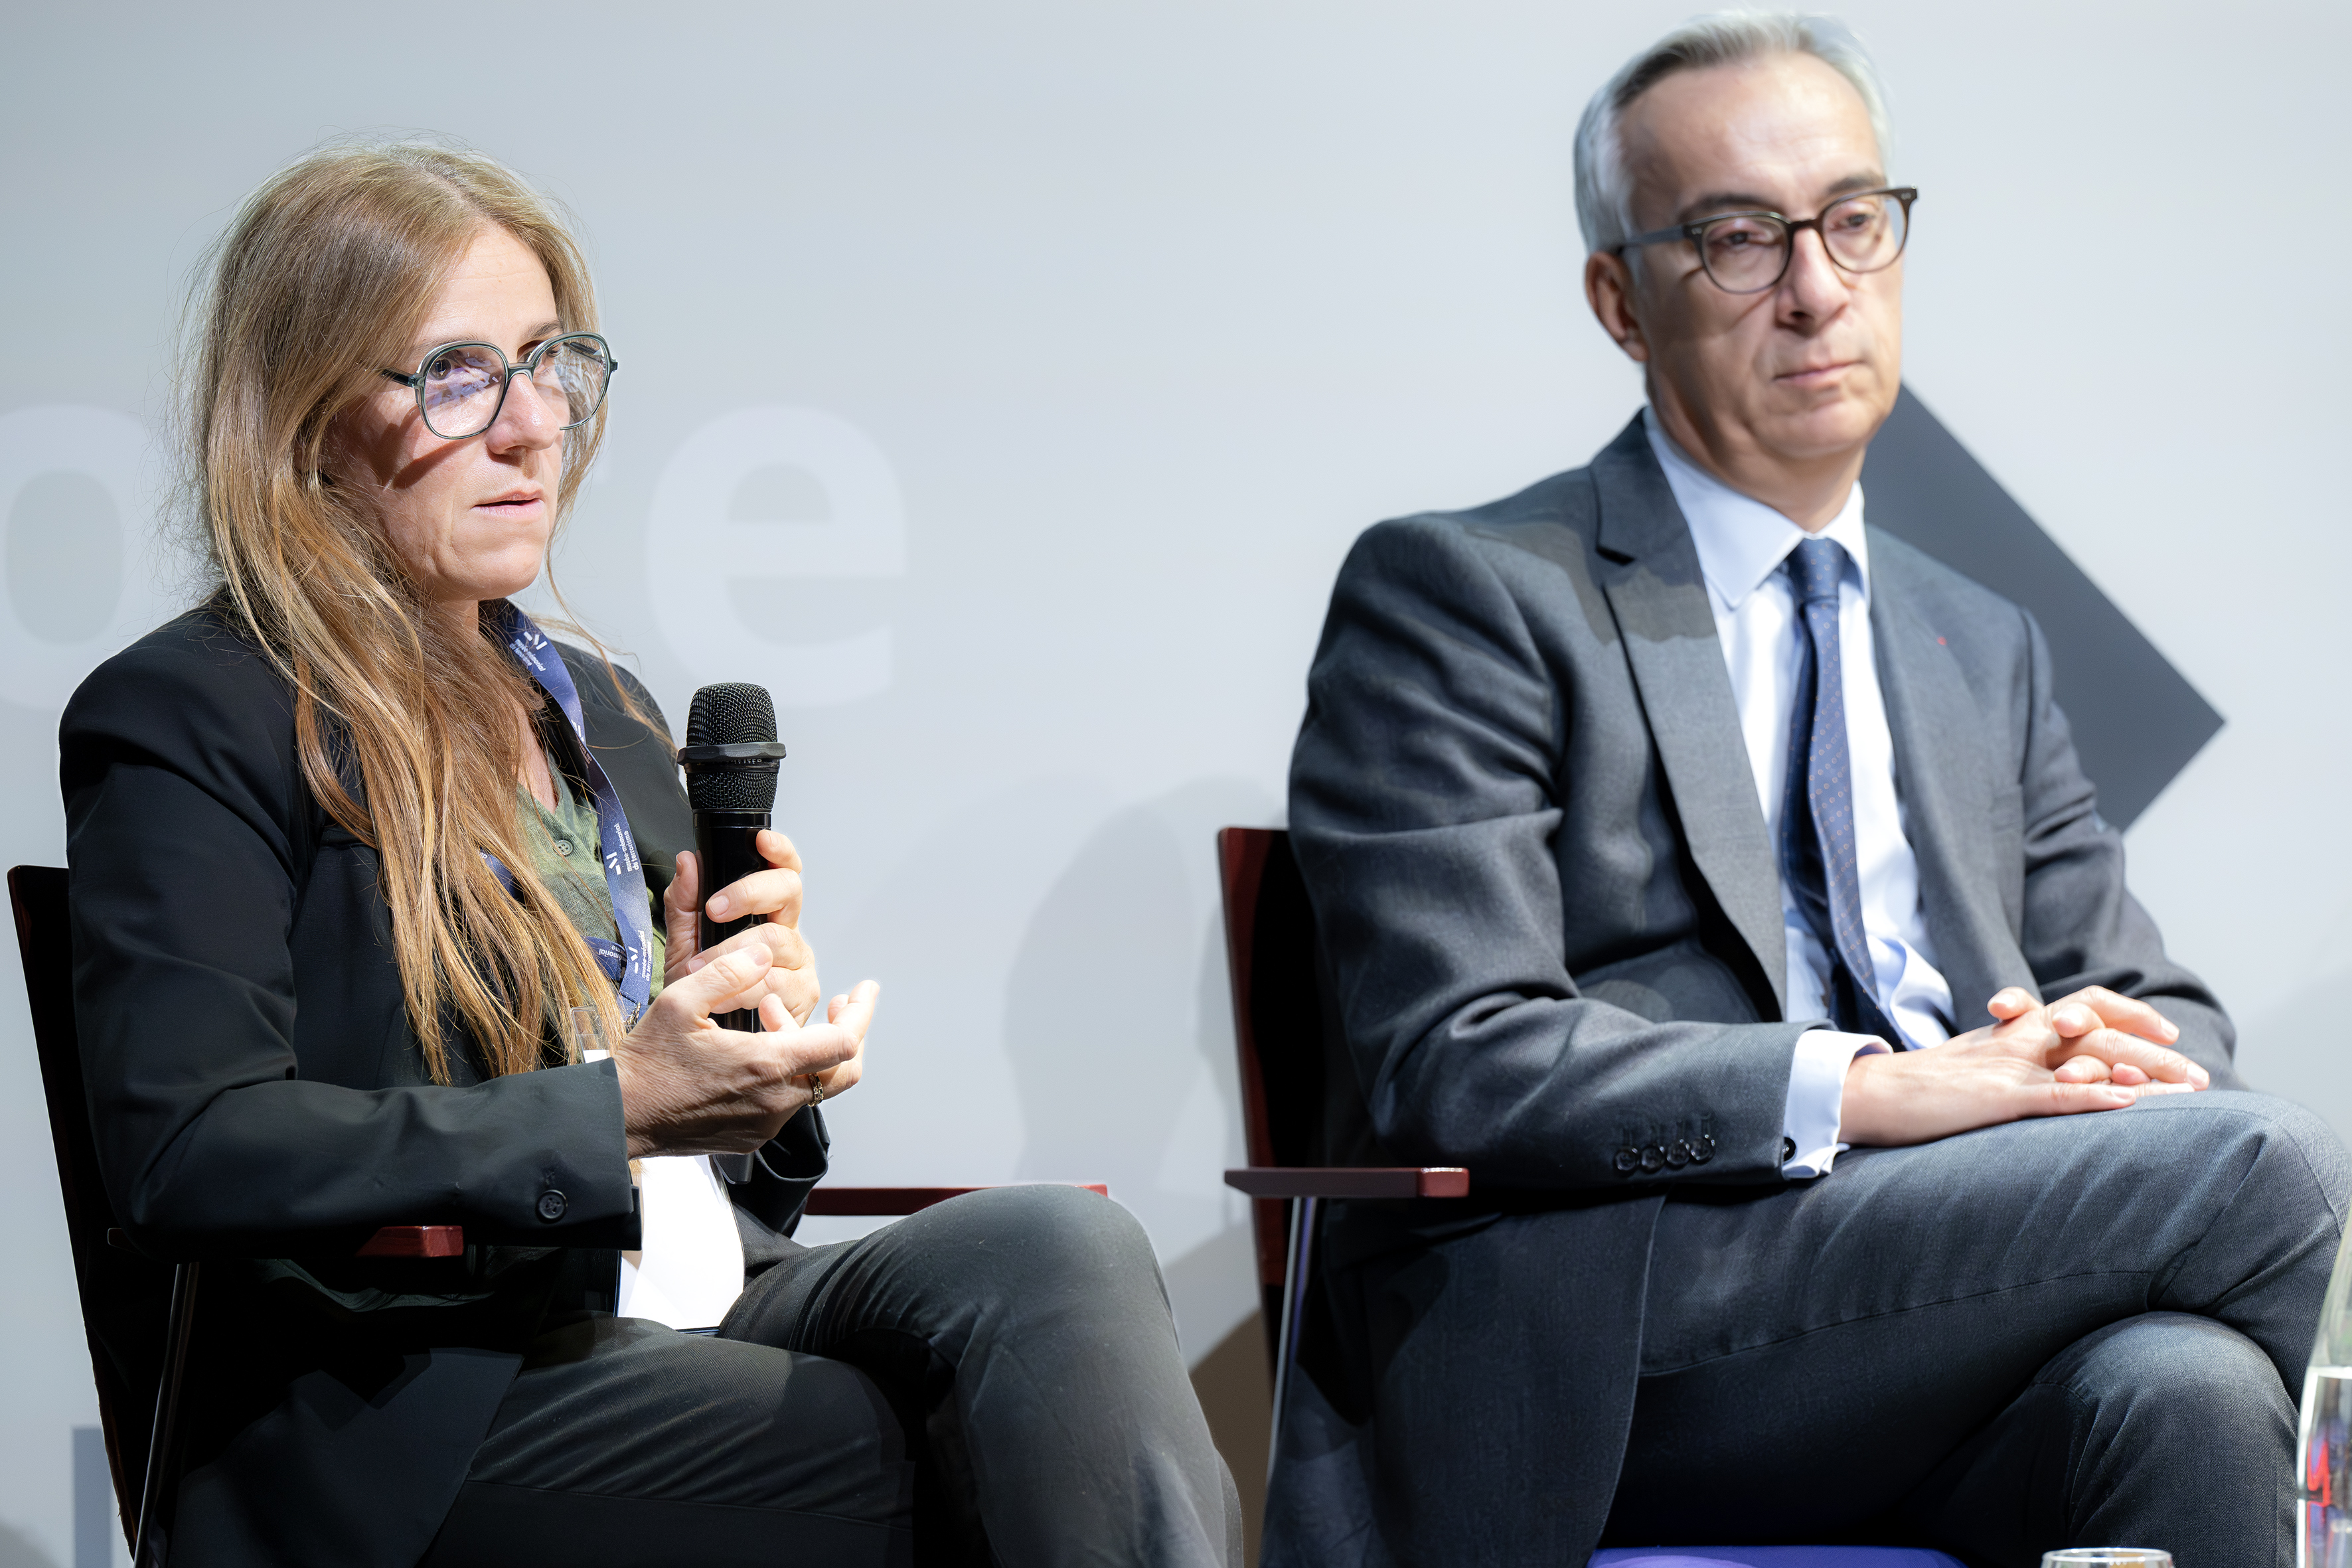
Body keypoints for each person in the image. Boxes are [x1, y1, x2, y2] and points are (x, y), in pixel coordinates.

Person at [60, 140, 1240, 1568]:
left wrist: (747, 1059)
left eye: (550, 361)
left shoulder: (598, 705)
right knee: (940, 1439)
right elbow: (192, 1147)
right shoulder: (197, 708)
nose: (530, 424)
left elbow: (736, 1184)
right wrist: (613, 1101)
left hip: (687, 1300)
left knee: (1063, 1254)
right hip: (421, 1390)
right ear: (310, 420)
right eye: (454, 375)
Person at [1275, 14, 2346, 1565]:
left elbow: (2158, 999)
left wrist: (2102, 1047)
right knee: (2276, 1164)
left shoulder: (1976, 642)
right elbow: (1456, 1054)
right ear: (1617, 300)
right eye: (1733, 238)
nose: (1814, 286)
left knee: (2183, 1392)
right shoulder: (1464, 591)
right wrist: (1860, 1086)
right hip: (1634, 1313)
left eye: (1852, 220)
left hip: (1945, 1312)